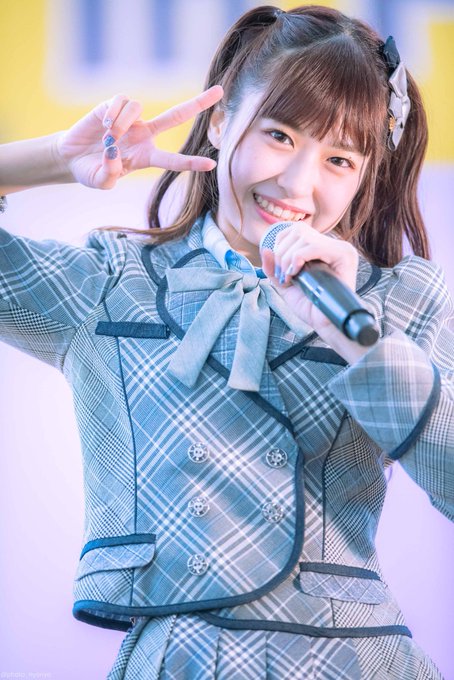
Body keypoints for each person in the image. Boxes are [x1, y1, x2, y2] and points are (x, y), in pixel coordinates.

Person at [0, 4, 452, 679]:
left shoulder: (397, 300)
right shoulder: (113, 283)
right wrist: (54, 159)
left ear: (366, 173)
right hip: (184, 661)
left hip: (356, 659)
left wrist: (357, 339)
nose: (298, 183)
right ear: (219, 122)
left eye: (339, 158)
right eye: (279, 135)